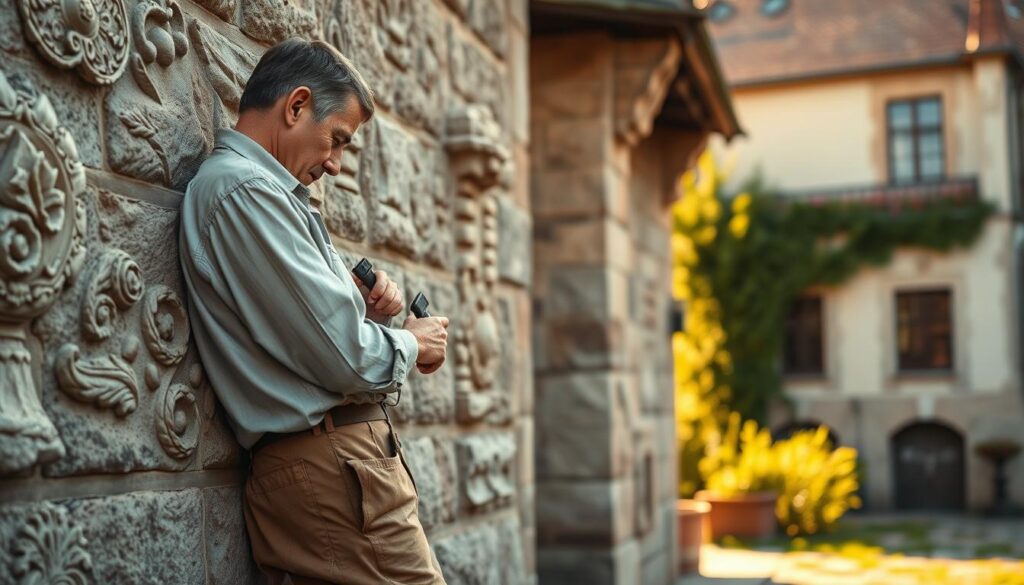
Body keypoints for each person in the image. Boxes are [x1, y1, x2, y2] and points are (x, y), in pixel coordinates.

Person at [179, 38, 450, 585]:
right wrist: (413, 342)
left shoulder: (257, 192)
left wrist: (355, 303)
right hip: (333, 471)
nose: (335, 162)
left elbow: (315, 338)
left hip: (335, 469)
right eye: (337, 139)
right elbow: (344, 356)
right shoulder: (245, 190)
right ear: (296, 106)